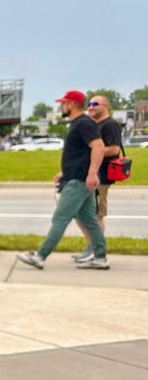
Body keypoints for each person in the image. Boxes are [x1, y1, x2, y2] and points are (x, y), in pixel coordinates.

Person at [17, 90, 109, 270]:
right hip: (76, 178)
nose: (61, 106)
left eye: (63, 103)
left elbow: (98, 146)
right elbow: (81, 153)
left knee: (60, 218)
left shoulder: (83, 123)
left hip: (79, 181)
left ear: (72, 104)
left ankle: (40, 256)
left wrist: (92, 173)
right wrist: (64, 172)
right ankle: (100, 257)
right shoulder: (78, 124)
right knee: (89, 219)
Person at [71, 94, 124, 263]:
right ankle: (91, 247)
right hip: (89, 175)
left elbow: (114, 150)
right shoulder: (95, 124)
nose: (91, 107)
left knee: (96, 215)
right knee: (82, 214)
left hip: (101, 176)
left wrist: (94, 151)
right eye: (89, 104)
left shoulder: (110, 125)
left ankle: (97, 250)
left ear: (106, 105)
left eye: (95, 104)